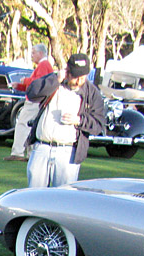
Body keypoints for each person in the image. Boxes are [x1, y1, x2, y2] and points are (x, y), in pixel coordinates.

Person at [24, 52, 104, 188]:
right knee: (34, 197)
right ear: (68, 72)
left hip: (68, 153)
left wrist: (79, 120)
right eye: (76, 77)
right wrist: (55, 79)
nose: (79, 82)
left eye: (83, 77)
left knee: (62, 199)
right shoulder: (54, 82)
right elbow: (31, 93)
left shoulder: (92, 92)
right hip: (42, 148)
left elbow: (98, 124)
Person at [4, 44, 53, 161]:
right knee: (31, 127)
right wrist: (20, 86)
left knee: (22, 124)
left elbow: (37, 83)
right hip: (38, 101)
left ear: (41, 53)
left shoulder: (43, 65)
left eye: (33, 53)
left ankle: (18, 152)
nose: (32, 56)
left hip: (34, 101)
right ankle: (30, 154)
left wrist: (25, 80)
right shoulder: (44, 65)